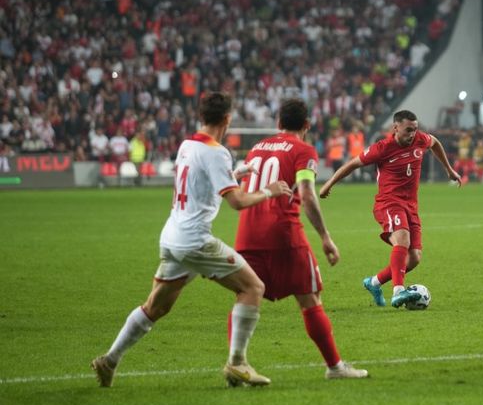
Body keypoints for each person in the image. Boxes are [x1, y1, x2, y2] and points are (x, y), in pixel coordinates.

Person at [91, 92, 291, 388]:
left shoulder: (188, 145)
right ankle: (238, 363)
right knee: (253, 287)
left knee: (155, 307)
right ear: (227, 119)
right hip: (195, 241)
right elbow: (236, 202)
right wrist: (270, 191)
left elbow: (199, 184)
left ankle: (109, 361)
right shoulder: (217, 152)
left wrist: (234, 173)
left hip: (172, 237)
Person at [234, 99, 368, 380]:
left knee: (245, 295)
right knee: (310, 298)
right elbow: (307, 194)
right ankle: (335, 367)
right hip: (284, 234)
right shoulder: (303, 150)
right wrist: (325, 237)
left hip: (247, 233)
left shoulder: (257, 148)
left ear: (279, 123)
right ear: (307, 125)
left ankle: (237, 362)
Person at [319, 109, 461, 308]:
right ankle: (398, 291)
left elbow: (435, 143)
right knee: (402, 238)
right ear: (395, 128)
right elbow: (352, 164)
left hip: (411, 205)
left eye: (415, 129)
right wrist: (328, 184)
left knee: (414, 258)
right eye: (408, 130)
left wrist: (449, 169)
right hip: (388, 202)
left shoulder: (420, 139)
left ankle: (374, 282)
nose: (412, 134)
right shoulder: (382, 148)